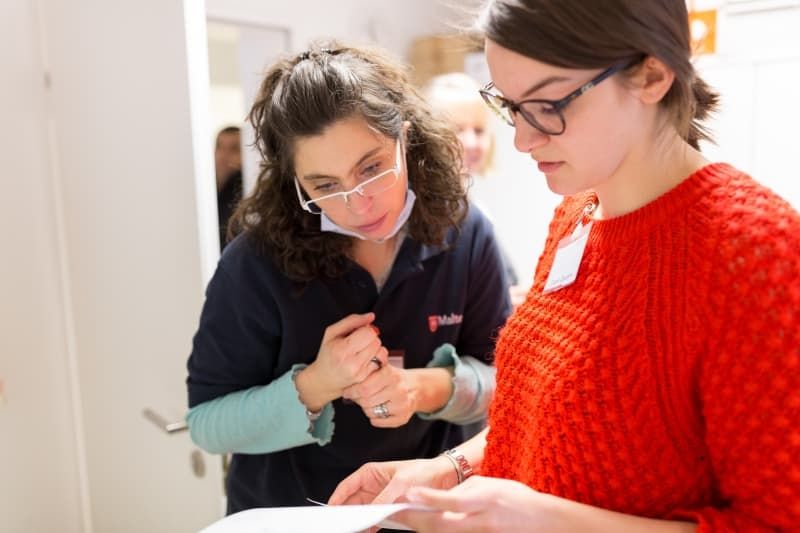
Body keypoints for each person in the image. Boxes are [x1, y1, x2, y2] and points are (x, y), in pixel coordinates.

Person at [329, 1, 800, 531]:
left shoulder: (754, 249)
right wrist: (447, 470)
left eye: (549, 104)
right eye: (509, 106)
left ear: (652, 74)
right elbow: (544, 423)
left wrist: (546, 520)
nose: (523, 139)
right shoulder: (578, 214)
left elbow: (776, 522)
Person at [185, 42, 511, 514]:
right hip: (290, 514)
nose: (359, 205)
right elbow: (207, 424)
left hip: (425, 511)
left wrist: (423, 388)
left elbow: (507, 384)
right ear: (294, 180)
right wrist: (317, 384)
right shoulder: (255, 261)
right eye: (325, 186)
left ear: (405, 136)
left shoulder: (463, 232)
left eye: (372, 168)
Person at [424, 72, 528, 307]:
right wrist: (497, 303)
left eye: (479, 131)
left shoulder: (474, 208)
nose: (471, 143)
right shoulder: (423, 216)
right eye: (457, 129)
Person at [214, 125, 243, 249]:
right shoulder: (206, 190)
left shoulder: (243, 191)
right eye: (219, 147)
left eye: (234, 149)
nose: (224, 156)